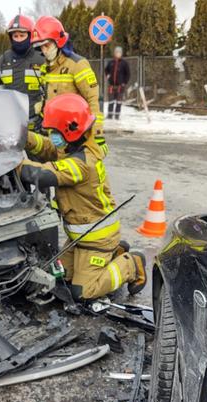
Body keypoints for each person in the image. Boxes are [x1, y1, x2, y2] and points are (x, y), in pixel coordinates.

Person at [19, 93, 146, 301]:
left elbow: (42, 174)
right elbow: (44, 146)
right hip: (79, 237)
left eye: (53, 131)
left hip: (96, 238)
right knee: (59, 277)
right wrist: (21, 137)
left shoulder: (81, 165)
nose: (50, 135)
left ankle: (131, 264)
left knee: (82, 291)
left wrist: (14, 165)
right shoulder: (71, 148)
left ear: (69, 130)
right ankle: (115, 252)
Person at [31, 16, 108, 156]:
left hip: (78, 140)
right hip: (56, 138)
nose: (44, 50)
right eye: (41, 47)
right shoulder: (45, 69)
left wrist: (98, 135)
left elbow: (95, 100)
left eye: (47, 45)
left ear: (58, 42)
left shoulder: (78, 65)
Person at [0, 15, 45, 130]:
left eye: (22, 35)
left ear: (30, 35)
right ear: (11, 38)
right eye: (15, 36)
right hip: (11, 123)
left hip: (37, 123)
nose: (19, 39)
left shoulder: (41, 58)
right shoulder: (4, 59)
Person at [105, 46, 130, 120]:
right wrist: (108, 76)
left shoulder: (124, 63)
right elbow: (106, 70)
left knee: (118, 102)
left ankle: (117, 116)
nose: (118, 54)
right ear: (114, 53)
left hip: (120, 86)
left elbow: (127, 74)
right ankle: (110, 115)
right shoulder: (111, 62)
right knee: (111, 101)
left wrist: (124, 82)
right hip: (112, 85)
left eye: (119, 52)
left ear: (121, 54)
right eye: (116, 52)